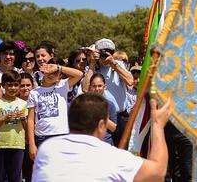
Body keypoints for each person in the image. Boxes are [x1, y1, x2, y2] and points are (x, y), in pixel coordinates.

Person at [32, 93, 171, 181]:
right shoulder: (112, 157)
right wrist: (157, 125)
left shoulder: (47, 149)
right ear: (101, 125)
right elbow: (157, 172)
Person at [26, 43, 83, 162]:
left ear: (59, 76)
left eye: (56, 73)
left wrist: (58, 67)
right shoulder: (34, 92)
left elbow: (79, 74)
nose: (52, 75)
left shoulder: (62, 85)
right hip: (41, 137)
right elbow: (30, 120)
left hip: (61, 135)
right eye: (38, 56)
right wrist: (32, 144)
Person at [0, 70, 28, 182]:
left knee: (14, 178)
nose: (13, 88)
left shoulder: (23, 104)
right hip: (0, 145)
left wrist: (23, 118)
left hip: (18, 145)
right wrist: (4, 118)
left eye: (16, 85)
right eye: (9, 85)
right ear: (3, 86)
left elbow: (27, 127)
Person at [91, 38, 134, 146]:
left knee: (122, 150)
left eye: (109, 52)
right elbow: (85, 88)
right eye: (103, 52)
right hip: (101, 115)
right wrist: (92, 63)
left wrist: (113, 63)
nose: (106, 55)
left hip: (121, 117)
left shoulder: (118, 64)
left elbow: (130, 81)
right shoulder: (93, 66)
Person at [88, 73, 117, 144]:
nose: (97, 89)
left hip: (105, 143)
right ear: (90, 87)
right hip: (88, 143)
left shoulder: (110, 105)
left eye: (100, 86)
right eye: (94, 86)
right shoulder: (85, 104)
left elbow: (113, 128)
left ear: (105, 87)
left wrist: (101, 115)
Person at [18, 73, 35, 182]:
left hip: (33, 144)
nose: (25, 88)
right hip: (18, 144)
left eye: (28, 85)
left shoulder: (38, 101)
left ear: (33, 86)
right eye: (22, 85)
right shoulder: (14, 102)